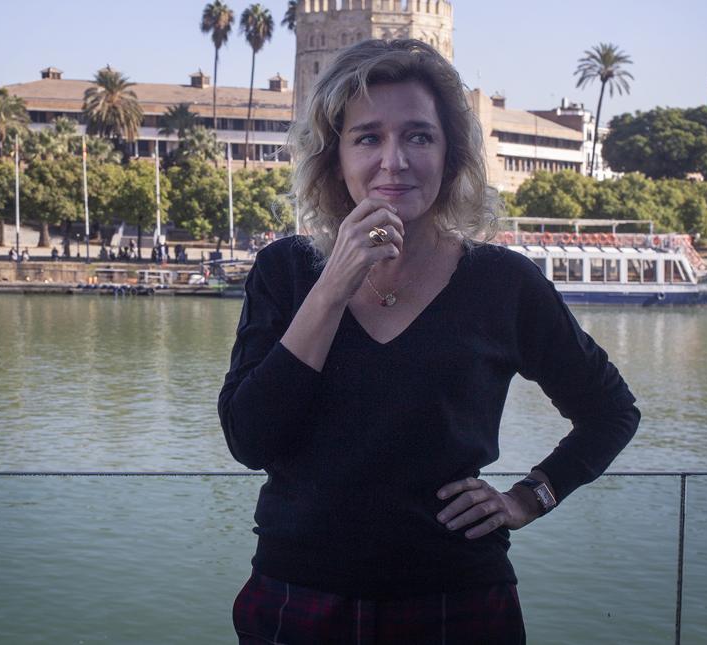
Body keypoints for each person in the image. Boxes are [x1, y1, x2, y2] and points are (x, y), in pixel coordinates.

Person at [219, 39, 639, 644]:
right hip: (300, 595)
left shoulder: (503, 282)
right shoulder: (285, 271)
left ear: (451, 154)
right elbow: (249, 440)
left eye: (418, 136)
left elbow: (611, 412)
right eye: (367, 137)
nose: (394, 161)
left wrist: (530, 496)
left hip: (459, 601)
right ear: (335, 157)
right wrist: (332, 287)